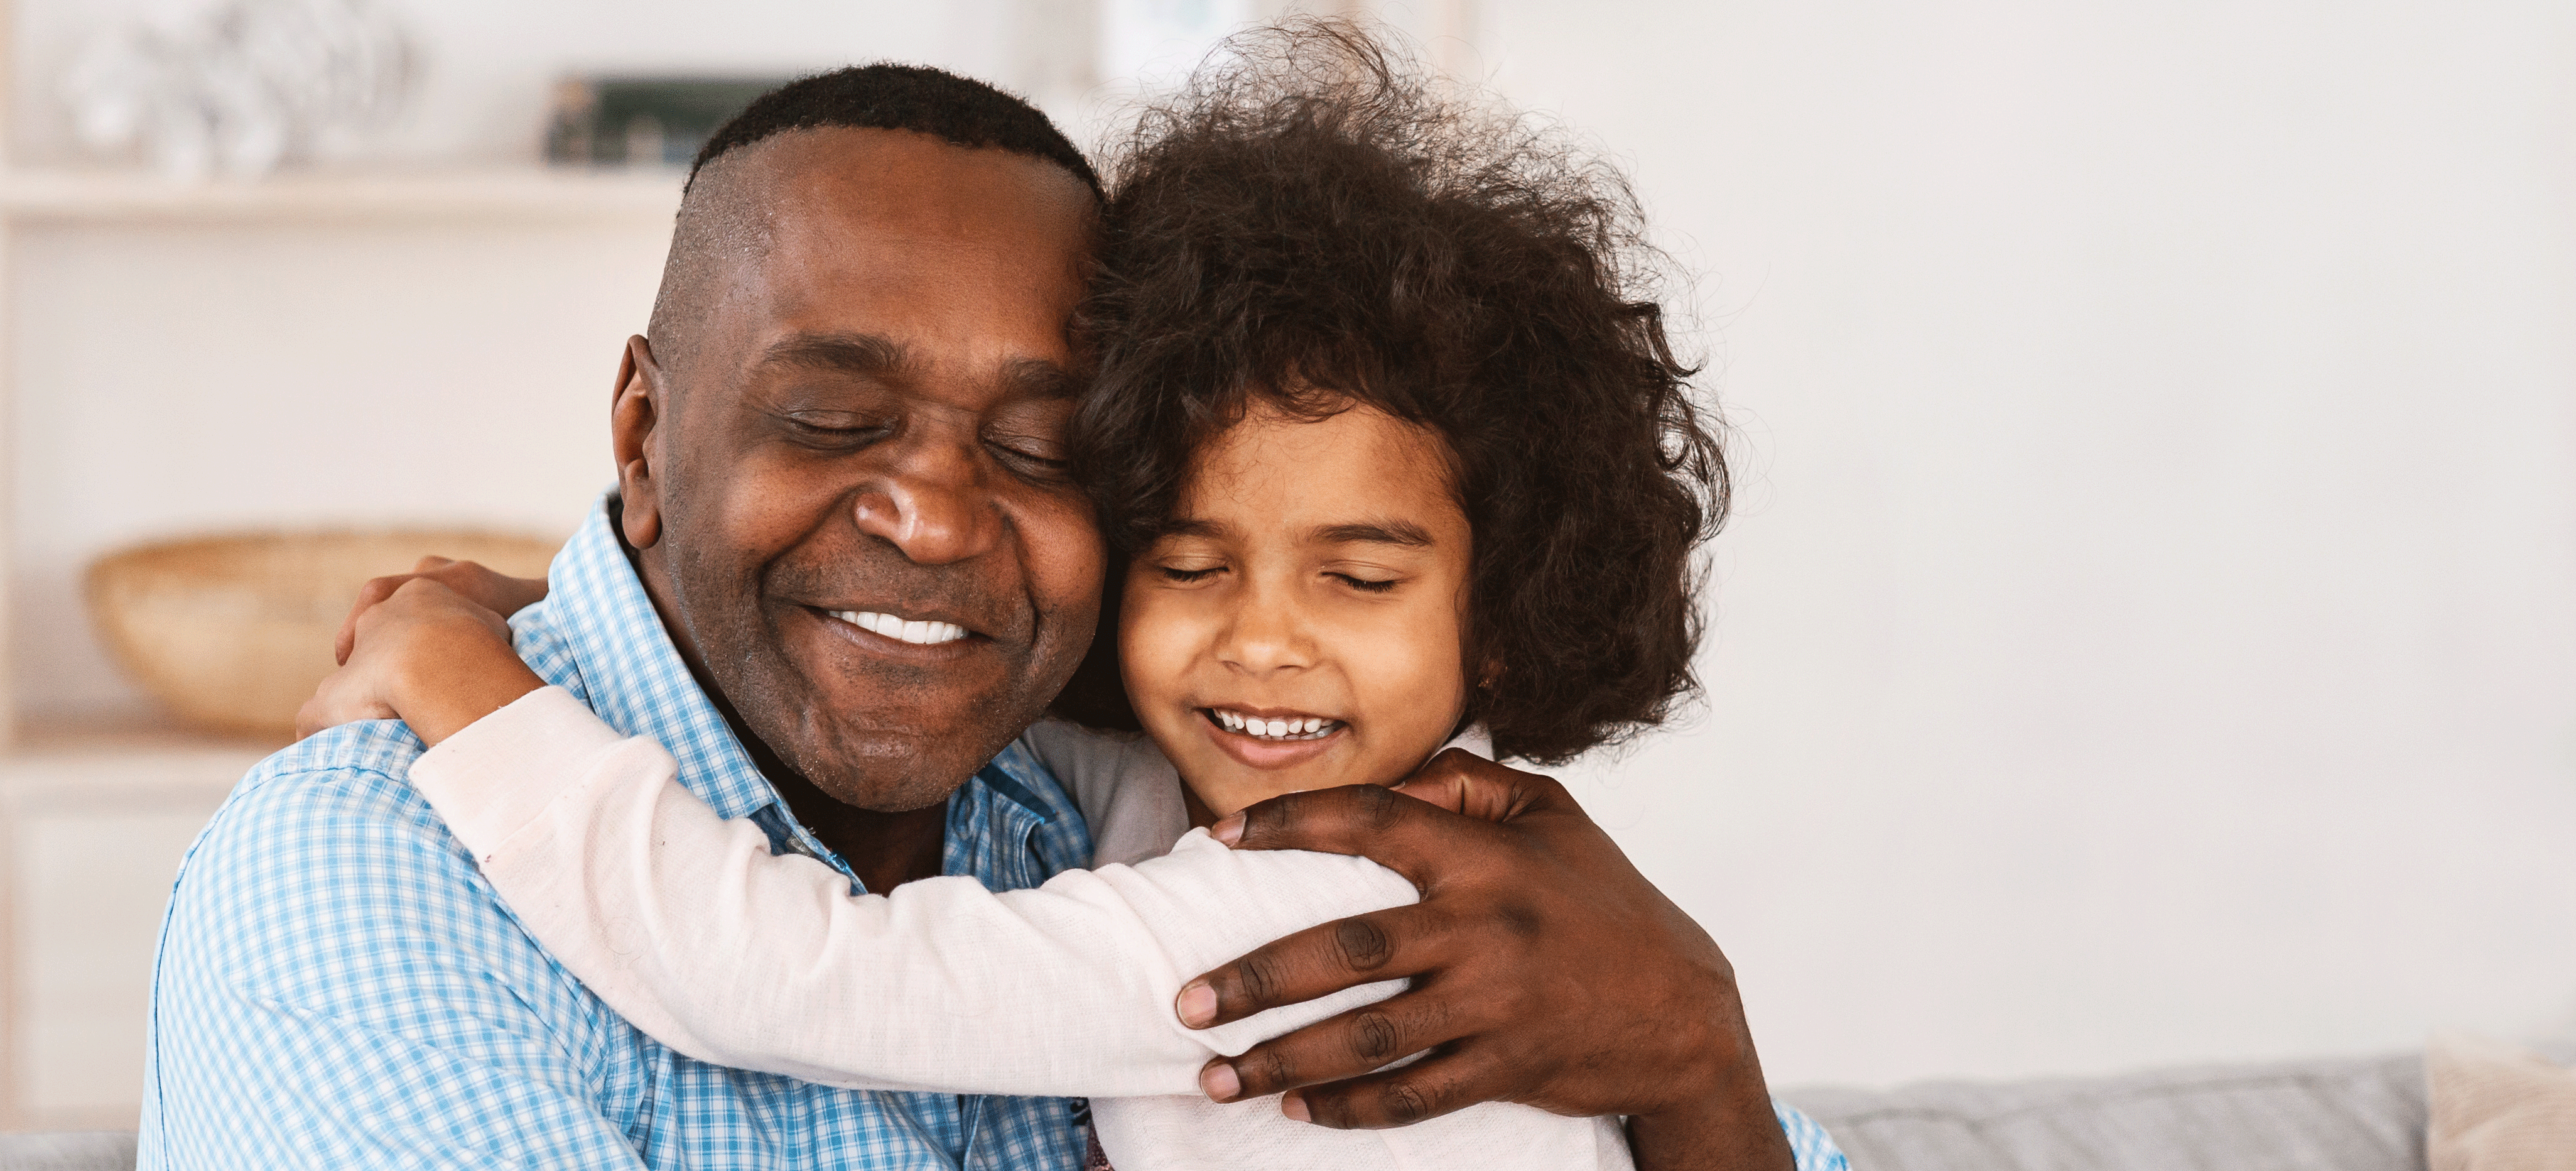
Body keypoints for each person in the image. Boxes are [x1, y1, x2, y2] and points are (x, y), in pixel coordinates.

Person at [151, 57, 1811, 1171]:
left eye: (1038, 449)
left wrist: (1697, 1054)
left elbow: (788, 972)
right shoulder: (368, 873)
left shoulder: (1359, 881)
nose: (937, 517)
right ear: (644, 440)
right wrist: (512, 634)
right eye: (832, 418)